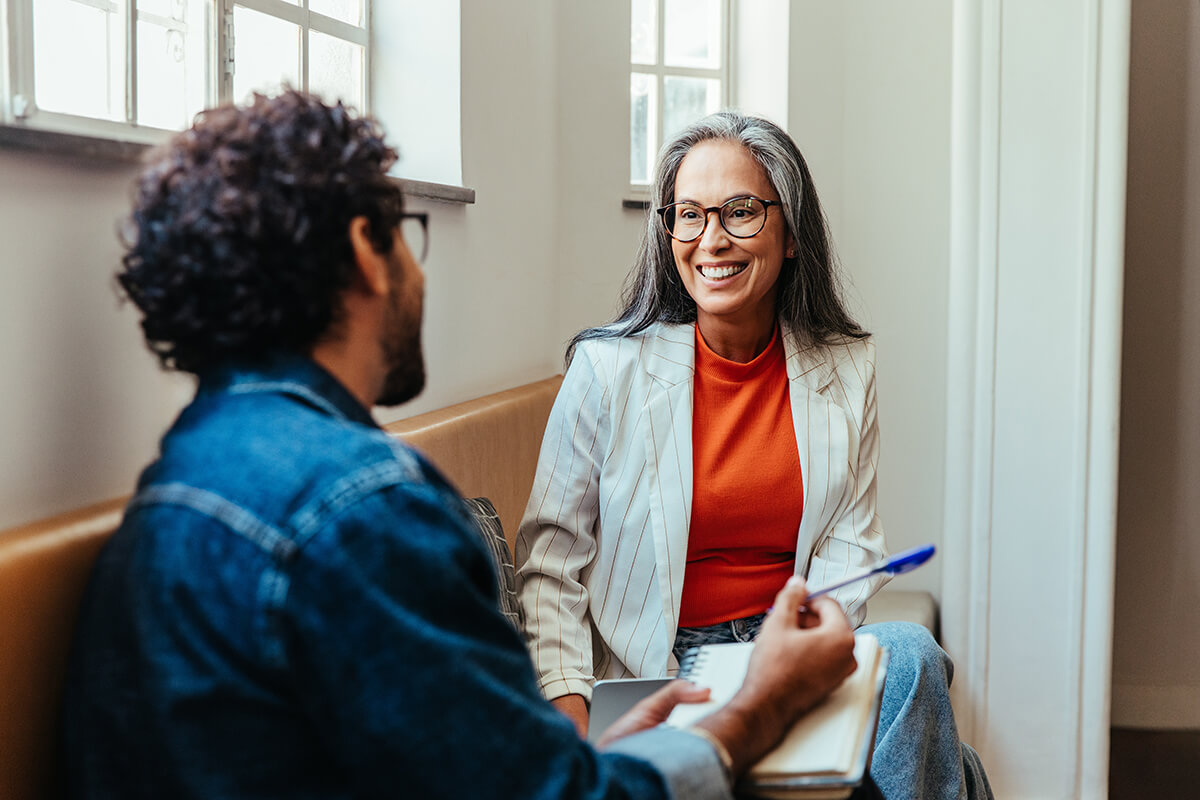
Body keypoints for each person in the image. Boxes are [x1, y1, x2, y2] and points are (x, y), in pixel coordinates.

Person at [60, 90, 887, 800]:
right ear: (364, 252)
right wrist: (758, 706)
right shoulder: (365, 513)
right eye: (406, 232)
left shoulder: (178, 479)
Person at [515, 111, 993, 799]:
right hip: (663, 671)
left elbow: (850, 546)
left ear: (791, 232)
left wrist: (788, 658)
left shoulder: (846, 368)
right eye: (689, 214)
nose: (712, 239)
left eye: (740, 211)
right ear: (668, 231)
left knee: (914, 657)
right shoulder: (605, 371)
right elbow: (550, 565)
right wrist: (569, 719)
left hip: (789, 645)